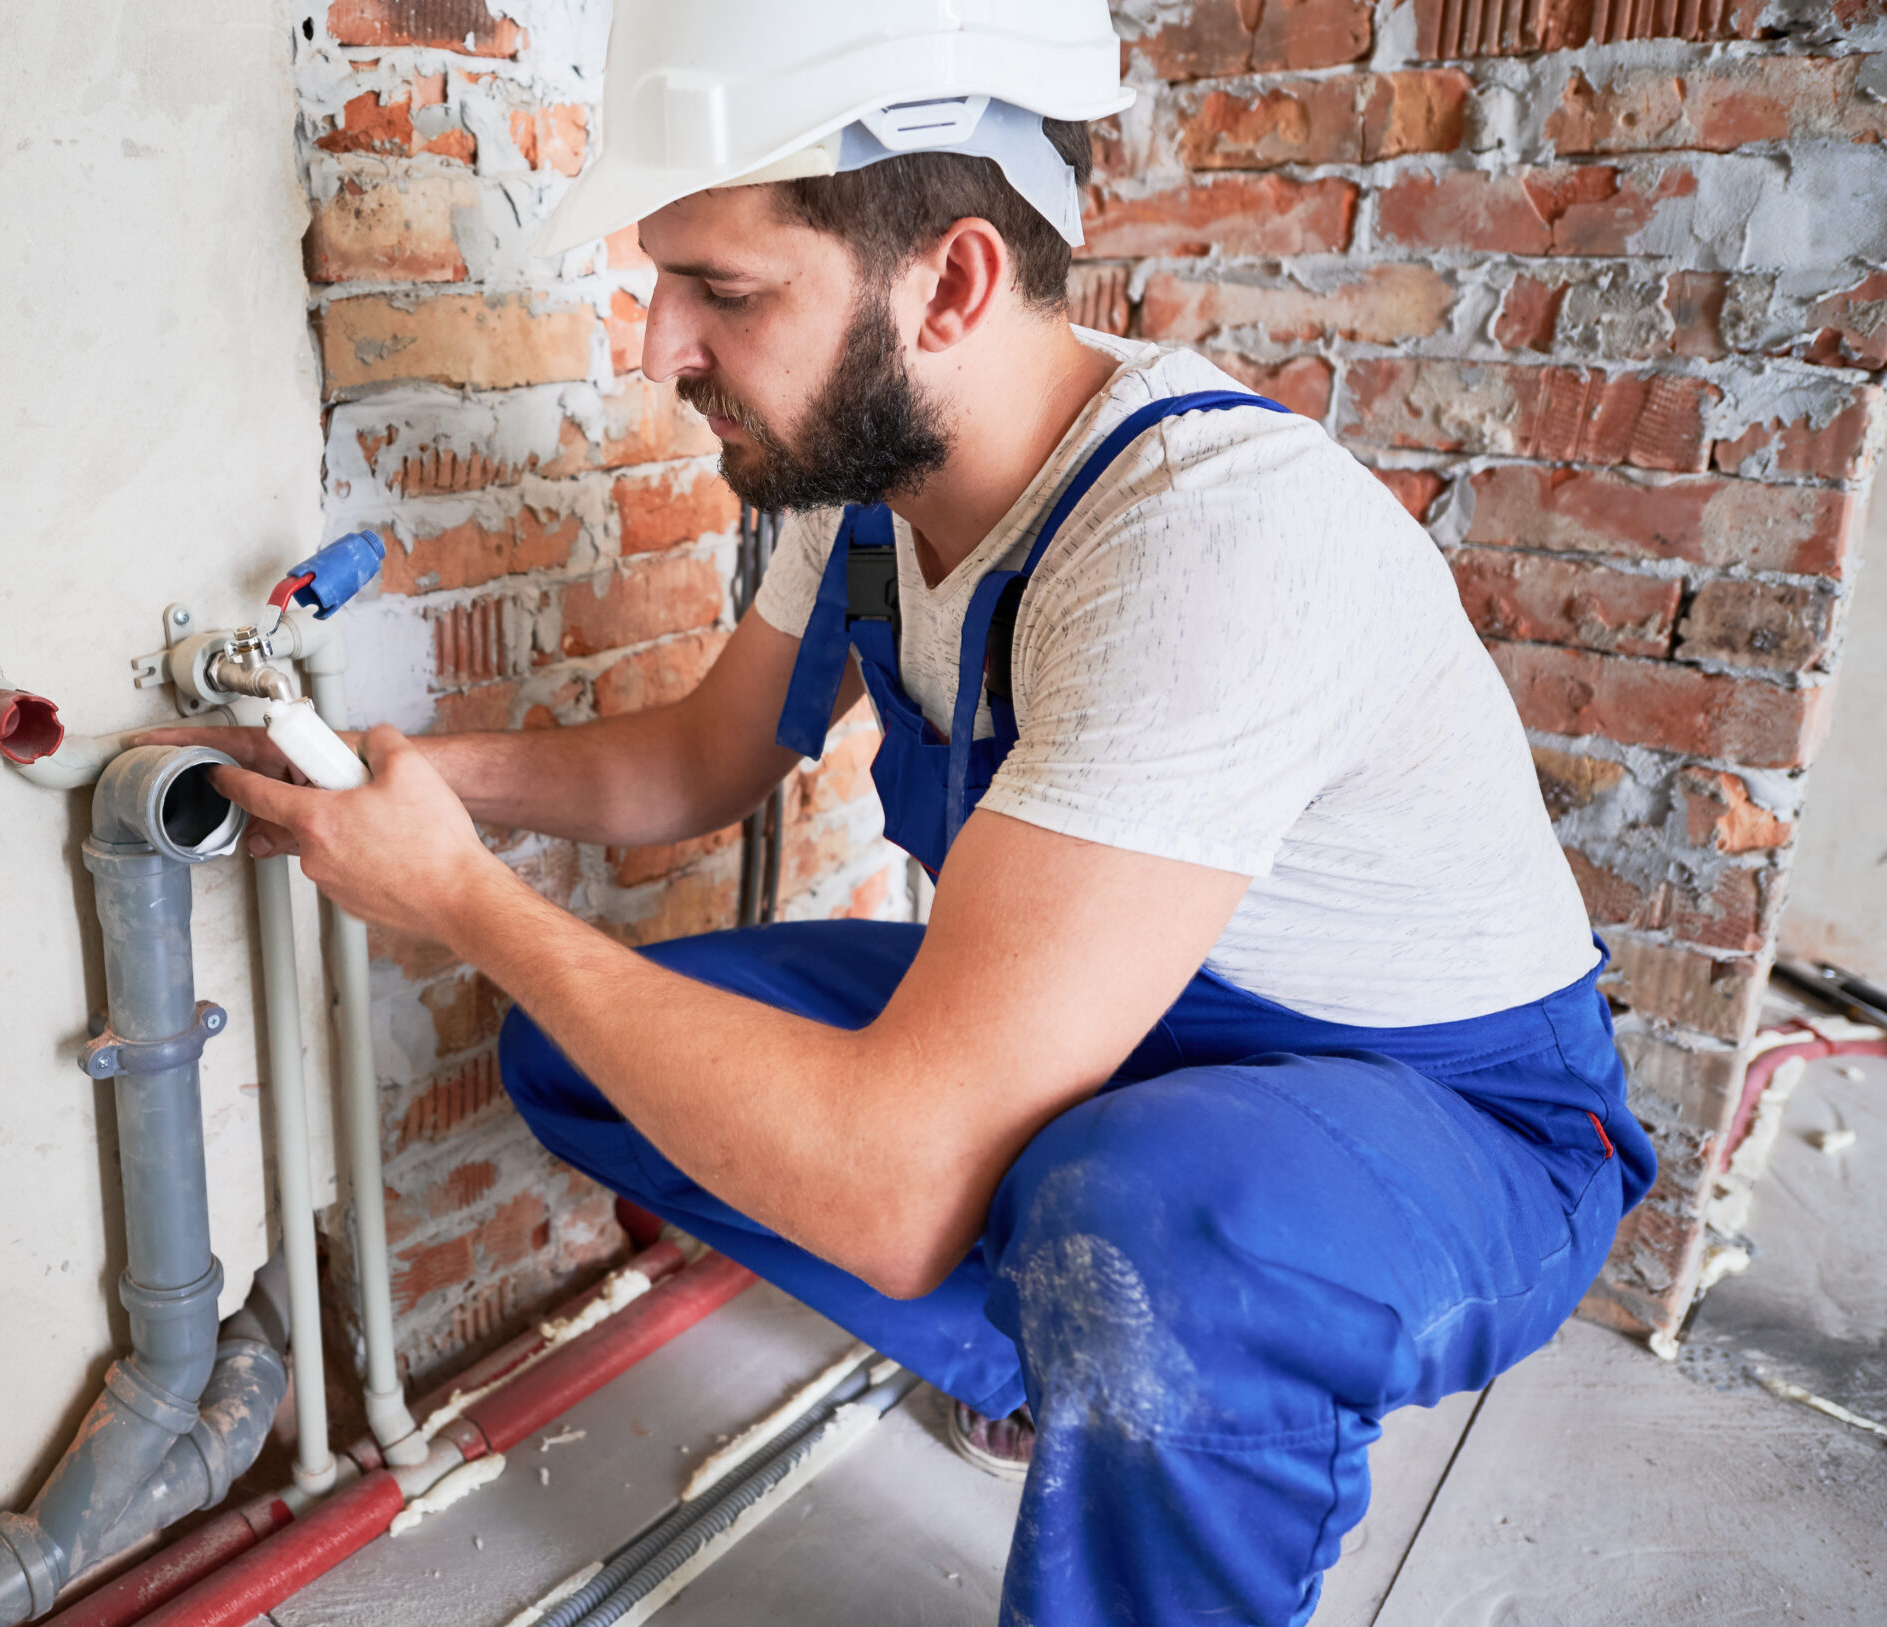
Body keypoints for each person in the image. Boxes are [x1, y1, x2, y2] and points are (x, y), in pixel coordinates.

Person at [177, 4, 1653, 1622]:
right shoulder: (869, 488)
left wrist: (464, 902)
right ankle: (1072, 1357)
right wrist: (406, 784)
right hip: (1124, 1037)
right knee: (585, 1048)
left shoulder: (1203, 543)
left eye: (722, 292)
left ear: (949, 283)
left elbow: (887, 1196)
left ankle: (1140, 1374)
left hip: (1441, 1113)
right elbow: (694, 767)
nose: (658, 343)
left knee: (1150, 1232)